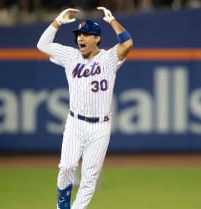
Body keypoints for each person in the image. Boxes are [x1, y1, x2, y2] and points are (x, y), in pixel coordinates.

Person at [37, 6, 133, 209]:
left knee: (89, 179)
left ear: (97, 38)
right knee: (67, 166)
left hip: (101, 127)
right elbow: (42, 44)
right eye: (79, 34)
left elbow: (127, 43)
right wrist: (58, 21)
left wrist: (112, 20)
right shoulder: (70, 56)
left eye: (86, 34)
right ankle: (62, 204)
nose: (81, 37)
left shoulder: (108, 58)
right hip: (75, 123)